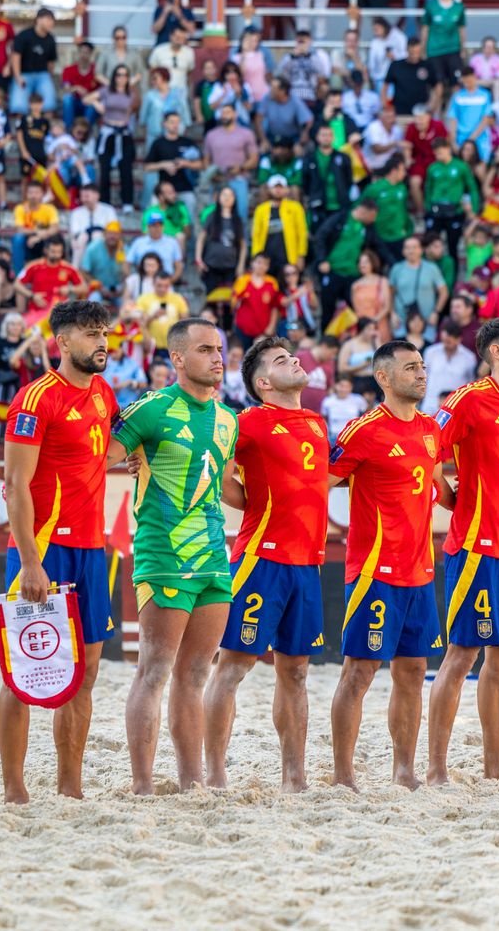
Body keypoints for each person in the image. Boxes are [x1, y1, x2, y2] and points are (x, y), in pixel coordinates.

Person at [0, 300, 120, 803]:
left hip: (92, 548)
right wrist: (29, 560)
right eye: (91, 334)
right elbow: (15, 485)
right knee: (22, 673)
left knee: (85, 674)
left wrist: (128, 456)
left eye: (104, 333)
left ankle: (71, 787)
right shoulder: (35, 398)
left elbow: (101, 450)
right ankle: (14, 789)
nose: (102, 342)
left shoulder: (104, 392)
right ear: (62, 342)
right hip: (44, 548)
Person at [198, 338, 330, 792]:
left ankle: (295, 776)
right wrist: (253, 502)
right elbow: (218, 473)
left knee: (296, 671)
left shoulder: (315, 421)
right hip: (262, 558)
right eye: (280, 360)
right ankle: (215, 773)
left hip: (307, 563)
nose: (293, 360)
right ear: (263, 383)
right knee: (234, 666)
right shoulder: (249, 421)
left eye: (292, 355)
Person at [114, 318, 239, 794]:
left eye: (219, 349)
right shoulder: (151, 407)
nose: (217, 358)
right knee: (155, 671)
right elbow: (98, 454)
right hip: (164, 552)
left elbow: (225, 484)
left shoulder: (228, 419)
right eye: (205, 350)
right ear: (178, 359)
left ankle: (192, 782)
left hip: (213, 555)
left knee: (196, 674)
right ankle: (143, 784)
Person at [426, 317, 499, 784]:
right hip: (475, 546)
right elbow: (425, 450)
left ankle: (496, 768)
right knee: (462, 656)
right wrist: (447, 497)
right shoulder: (468, 399)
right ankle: (436, 768)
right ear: (496, 352)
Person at [328, 340, 441, 790]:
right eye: (410, 367)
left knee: (412, 673)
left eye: (422, 366)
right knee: (359, 672)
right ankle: (343, 775)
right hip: (374, 571)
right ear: (383, 377)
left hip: (420, 571)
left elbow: (439, 486)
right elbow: (320, 481)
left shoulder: (430, 429)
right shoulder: (364, 429)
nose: (421, 373)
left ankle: (404, 771)